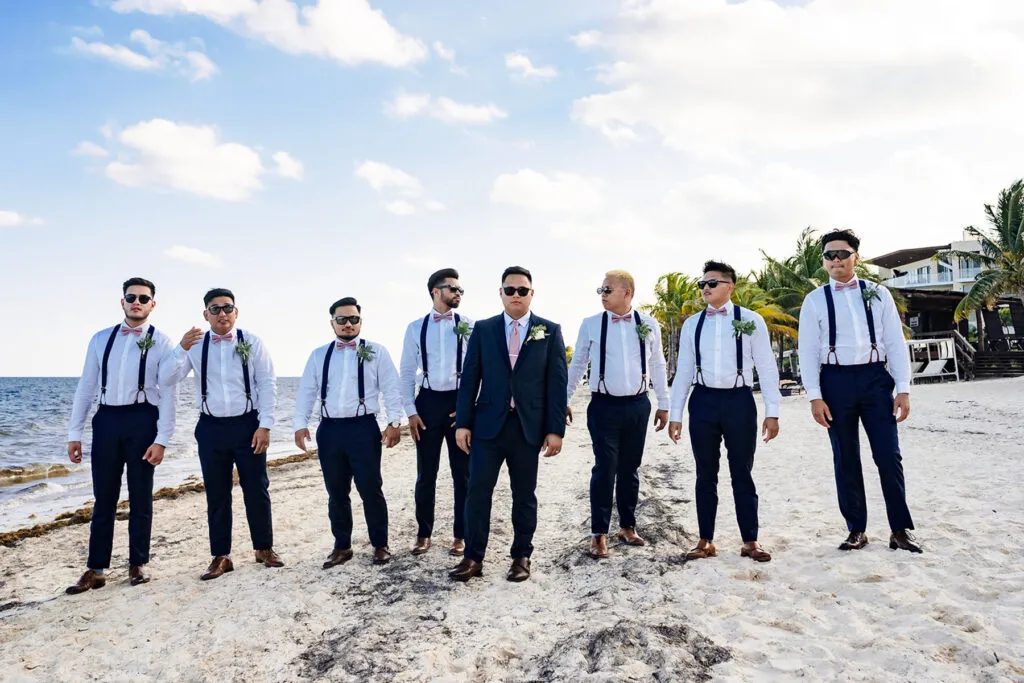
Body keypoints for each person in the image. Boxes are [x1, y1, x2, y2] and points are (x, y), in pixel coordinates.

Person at [797, 230, 921, 553]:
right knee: (845, 457)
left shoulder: (878, 294)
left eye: (842, 253)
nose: (835, 260)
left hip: (875, 380)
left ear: (856, 257)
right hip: (834, 382)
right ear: (824, 261)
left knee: (888, 454)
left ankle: (900, 529)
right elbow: (807, 350)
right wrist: (814, 395)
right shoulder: (814, 301)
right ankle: (856, 529)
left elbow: (895, 343)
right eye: (829, 255)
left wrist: (903, 388)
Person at [448, 266, 568, 583]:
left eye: (522, 290)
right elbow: (470, 378)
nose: (516, 295)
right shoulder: (484, 329)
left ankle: (521, 557)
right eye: (510, 289)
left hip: (528, 428)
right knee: (477, 492)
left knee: (524, 495)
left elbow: (557, 384)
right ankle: (474, 558)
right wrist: (462, 422)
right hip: (487, 426)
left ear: (531, 293)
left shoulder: (550, 330)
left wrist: (555, 430)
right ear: (500, 292)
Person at [160, 288, 284, 580]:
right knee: (216, 494)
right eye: (215, 309)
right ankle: (221, 556)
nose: (222, 314)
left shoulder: (251, 342)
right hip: (211, 427)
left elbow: (268, 383)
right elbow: (165, 378)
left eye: (227, 308)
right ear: (206, 315)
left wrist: (265, 425)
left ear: (236, 312)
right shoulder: (195, 345)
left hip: (248, 425)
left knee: (256, 488)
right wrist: (180, 348)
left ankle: (263, 548)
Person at [65, 278, 177, 593]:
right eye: (131, 297)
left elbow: (169, 393)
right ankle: (95, 569)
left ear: (153, 304)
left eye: (144, 298)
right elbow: (86, 386)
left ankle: (138, 563)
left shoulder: (163, 342)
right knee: (104, 498)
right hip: (107, 419)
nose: (137, 302)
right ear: (123, 301)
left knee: (141, 496)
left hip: (143, 420)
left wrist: (163, 438)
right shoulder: (101, 339)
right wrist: (75, 432)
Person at [667, 261, 780, 562]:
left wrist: (773, 410)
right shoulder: (693, 324)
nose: (706, 288)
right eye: (702, 283)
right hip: (702, 401)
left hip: (739, 401)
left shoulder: (752, 320)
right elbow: (684, 371)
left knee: (742, 472)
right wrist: (675, 413)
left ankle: (750, 541)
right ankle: (705, 540)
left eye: (713, 283)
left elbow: (767, 366)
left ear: (730, 286)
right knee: (706, 474)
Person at [566, 270, 669, 559]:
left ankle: (627, 526)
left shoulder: (648, 324)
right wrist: (564, 398)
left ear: (627, 292)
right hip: (603, 406)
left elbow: (658, 364)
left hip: (638, 405)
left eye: (608, 290)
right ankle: (598, 534)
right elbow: (577, 365)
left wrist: (664, 402)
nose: (602, 295)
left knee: (630, 468)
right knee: (605, 467)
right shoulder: (590, 324)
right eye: (600, 290)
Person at [294, 297, 403, 567]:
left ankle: (380, 544)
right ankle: (342, 546)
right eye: (341, 319)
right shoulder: (319, 355)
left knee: (370, 488)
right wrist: (300, 423)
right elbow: (307, 391)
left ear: (360, 322)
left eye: (353, 319)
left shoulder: (377, 351)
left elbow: (391, 388)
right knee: (336, 491)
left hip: (363, 428)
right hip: (329, 430)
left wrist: (394, 422)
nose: (347, 324)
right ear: (332, 323)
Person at [399, 268, 474, 557]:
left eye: (460, 289)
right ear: (435, 291)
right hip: (427, 403)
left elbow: (477, 371)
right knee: (425, 474)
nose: (458, 293)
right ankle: (423, 533)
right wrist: (410, 412)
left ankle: (460, 535)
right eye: (452, 288)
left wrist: (470, 408)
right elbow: (406, 372)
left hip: (459, 403)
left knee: (462, 474)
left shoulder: (469, 324)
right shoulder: (415, 327)